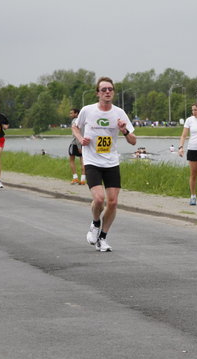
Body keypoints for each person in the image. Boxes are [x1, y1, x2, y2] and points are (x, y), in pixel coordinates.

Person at [72, 77, 136, 252]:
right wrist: (80, 139)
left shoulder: (119, 113)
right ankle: (95, 222)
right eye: (104, 89)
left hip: (111, 162)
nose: (107, 92)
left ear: (113, 92)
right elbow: (75, 127)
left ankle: (102, 238)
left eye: (110, 89)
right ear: (98, 93)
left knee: (113, 203)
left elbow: (133, 141)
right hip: (92, 161)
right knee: (99, 199)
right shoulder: (88, 110)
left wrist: (123, 130)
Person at [67, 108, 86, 185]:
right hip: (84, 142)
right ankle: (83, 179)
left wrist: (78, 146)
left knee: (71, 160)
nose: (70, 115)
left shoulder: (75, 121)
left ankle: (75, 178)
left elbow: (76, 134)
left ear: (76, 113)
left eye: (71, 113)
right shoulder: (84, 121)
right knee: (83, 161)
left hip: (76, 143)